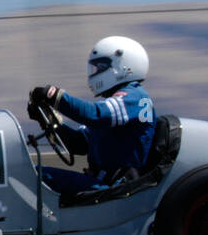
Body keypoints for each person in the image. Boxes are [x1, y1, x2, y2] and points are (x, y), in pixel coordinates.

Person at [29, 36, 156, 197]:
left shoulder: (134, 97)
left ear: (124, 67)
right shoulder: (117, 104)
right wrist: (47, 119)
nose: (96, 72)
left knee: (35, 176)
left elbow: (94, 114)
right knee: (31, 173)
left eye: (101, 67)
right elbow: (78, 144)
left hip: (115, 188)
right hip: (101, 183)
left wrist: (54, 96)